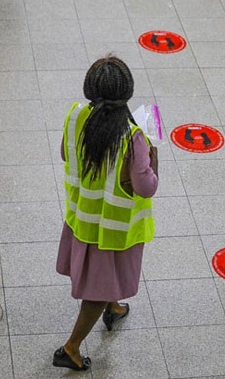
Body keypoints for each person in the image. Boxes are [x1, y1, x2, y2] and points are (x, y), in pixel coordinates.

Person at [53, 56, 159, 371]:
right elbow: (146, 187)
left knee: (104, 282)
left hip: (82, 219)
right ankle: (70, 348)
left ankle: (113, 307)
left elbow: (63, 153)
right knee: (97, 292)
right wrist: (154, 155)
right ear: (126, 93)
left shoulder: (75, 116)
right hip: (113, 231)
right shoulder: (133, 136)